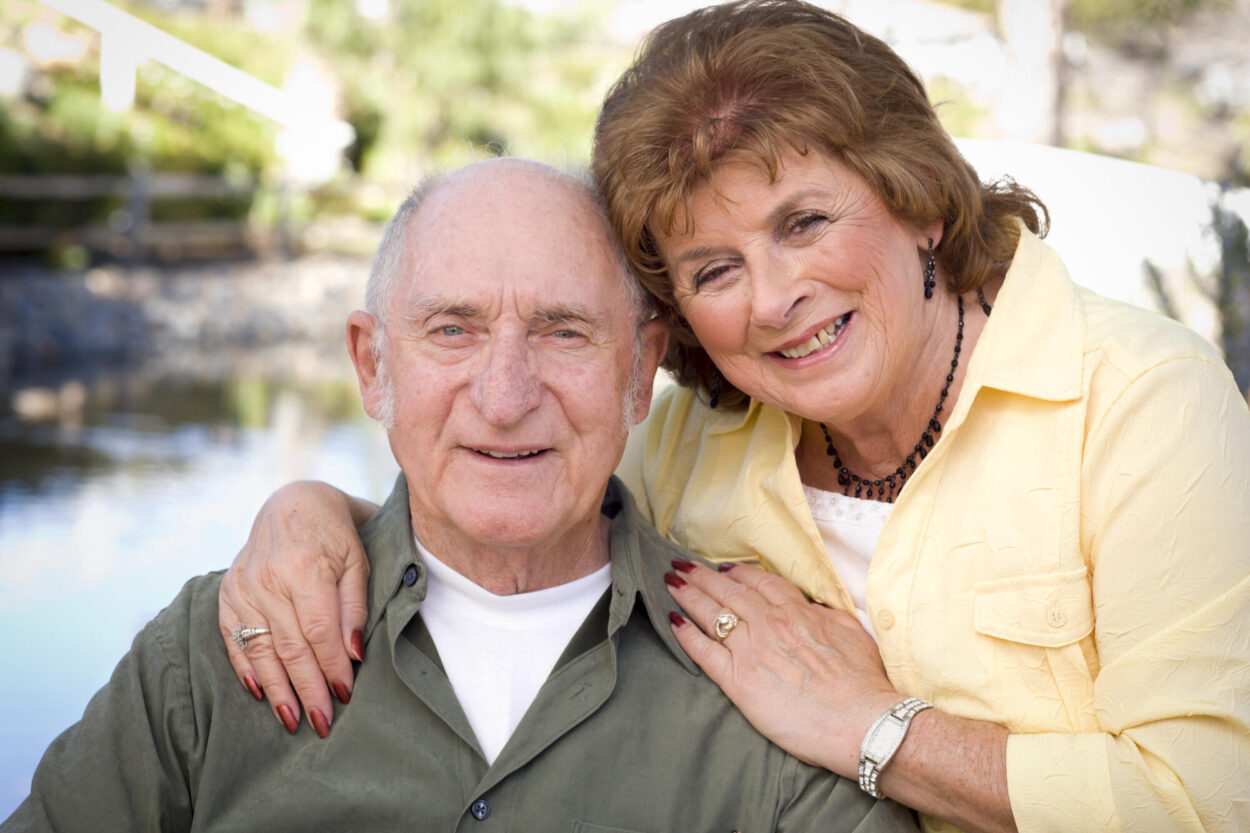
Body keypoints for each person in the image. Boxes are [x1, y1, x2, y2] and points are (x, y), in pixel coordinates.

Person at [216, 3, 1250, 833]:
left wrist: (873, 729)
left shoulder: (1137, 401)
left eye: (802, 222)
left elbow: (1209, 799)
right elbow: (510, 524)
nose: (769, 296)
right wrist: (311, 508)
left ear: (921, 198)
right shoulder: (685, 442)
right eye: (715, 267)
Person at [3, 159, 916, 833]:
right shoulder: (214, 654)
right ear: (372, 365)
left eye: (564, 332)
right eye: (453, 329)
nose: (505, 394)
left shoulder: (779, 684)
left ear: (640, 372)